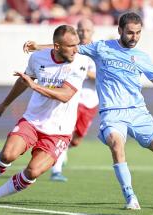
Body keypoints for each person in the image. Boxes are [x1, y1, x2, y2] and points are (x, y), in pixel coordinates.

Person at [23, 12, 153, 210]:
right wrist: (38, 46)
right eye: (130, 33)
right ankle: (130, 196)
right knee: (116, 143)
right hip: (112, 113)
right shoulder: (101, 48)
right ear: (120, 30)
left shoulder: (142, 57)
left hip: (138, 113)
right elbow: (67, 47)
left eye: (138, 33)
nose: (135, 37)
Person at [0, 25, 89, 213]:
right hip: (33, 121)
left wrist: (34, 86)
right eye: (71, 46)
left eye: (77, 44)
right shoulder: (37, 58)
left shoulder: (80, 62)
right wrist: (5, 103)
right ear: (57, 47)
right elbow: (23, 81)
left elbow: (65, 95)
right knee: (7, 154)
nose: (76, 49)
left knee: (33, 171)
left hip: (59, 131)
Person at [50, 18, 98, 182]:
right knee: (66, 133)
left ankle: (60, 152)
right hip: (73, 97)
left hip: (91, 101)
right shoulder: (72, 49)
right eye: (81, 30)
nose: (84, 33)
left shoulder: (97, 50)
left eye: (87, 30)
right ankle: (55, 169)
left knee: (76, 140)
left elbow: (101, 76)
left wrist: (89, 73)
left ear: (93, 31)